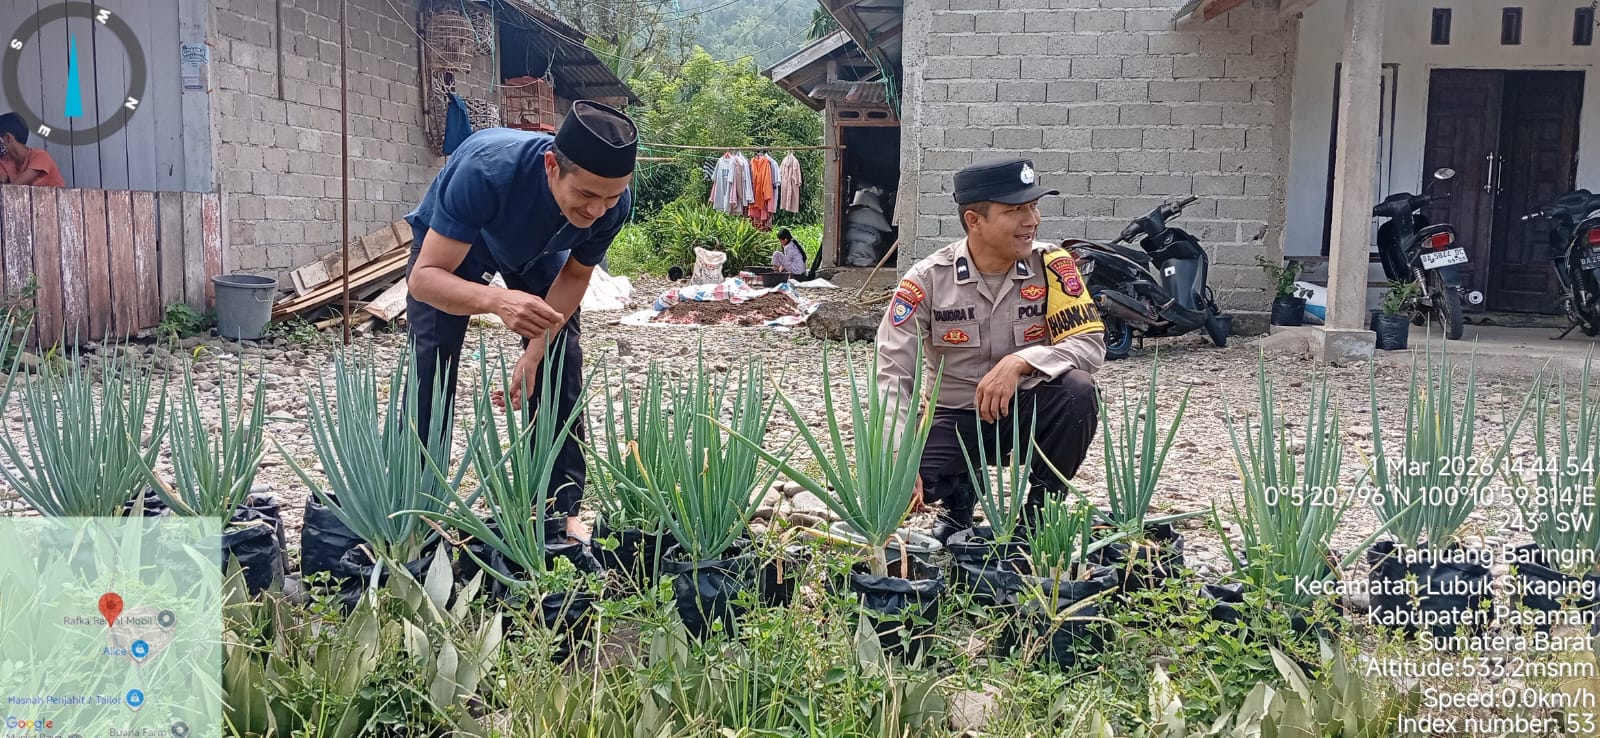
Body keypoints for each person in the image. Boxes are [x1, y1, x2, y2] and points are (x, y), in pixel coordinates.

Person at [404, 100, 638, 544]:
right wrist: (496, 301)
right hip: (456, 247)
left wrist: (534, 353)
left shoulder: (613, 204)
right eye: (586, 195)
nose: (597, 210)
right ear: (553, 165)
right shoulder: (487, 171)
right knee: (432, 363)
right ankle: (415, 505)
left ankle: (556, 507)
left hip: (541, 250)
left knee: (560, 355)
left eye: (610, 197)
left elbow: (576, 274)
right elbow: (424, 281)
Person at [876, 157, 1107, 543]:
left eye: (1033, 207)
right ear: (974, 220)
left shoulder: (1053, 268)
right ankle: (958, 504)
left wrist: (1022, 361)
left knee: (1077, 393)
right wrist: (896, 456)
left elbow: (1089, 344)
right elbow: (893, 373)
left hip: (1026, 410)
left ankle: (1040, 515)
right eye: (1015, 210)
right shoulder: (928, 280)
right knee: (907, 488)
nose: (1031, 220)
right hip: (956, 416)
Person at [0, 113, 65, 187]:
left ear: (7, 138)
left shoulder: (41, 157)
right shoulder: (4, 161)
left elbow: (15, 187)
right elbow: (2, 181)